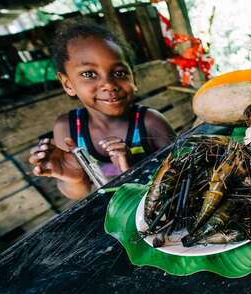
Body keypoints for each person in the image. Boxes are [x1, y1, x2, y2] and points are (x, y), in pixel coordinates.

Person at [29, 21, 176, 200]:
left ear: (133, 78)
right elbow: (79, 193)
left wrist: (130, 169)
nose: (108, 84)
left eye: (119, 73)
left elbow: (182, 174)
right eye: (89, 74)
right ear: (67, 84)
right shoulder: (68, 129)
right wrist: (74, 179)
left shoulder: (150, 122)